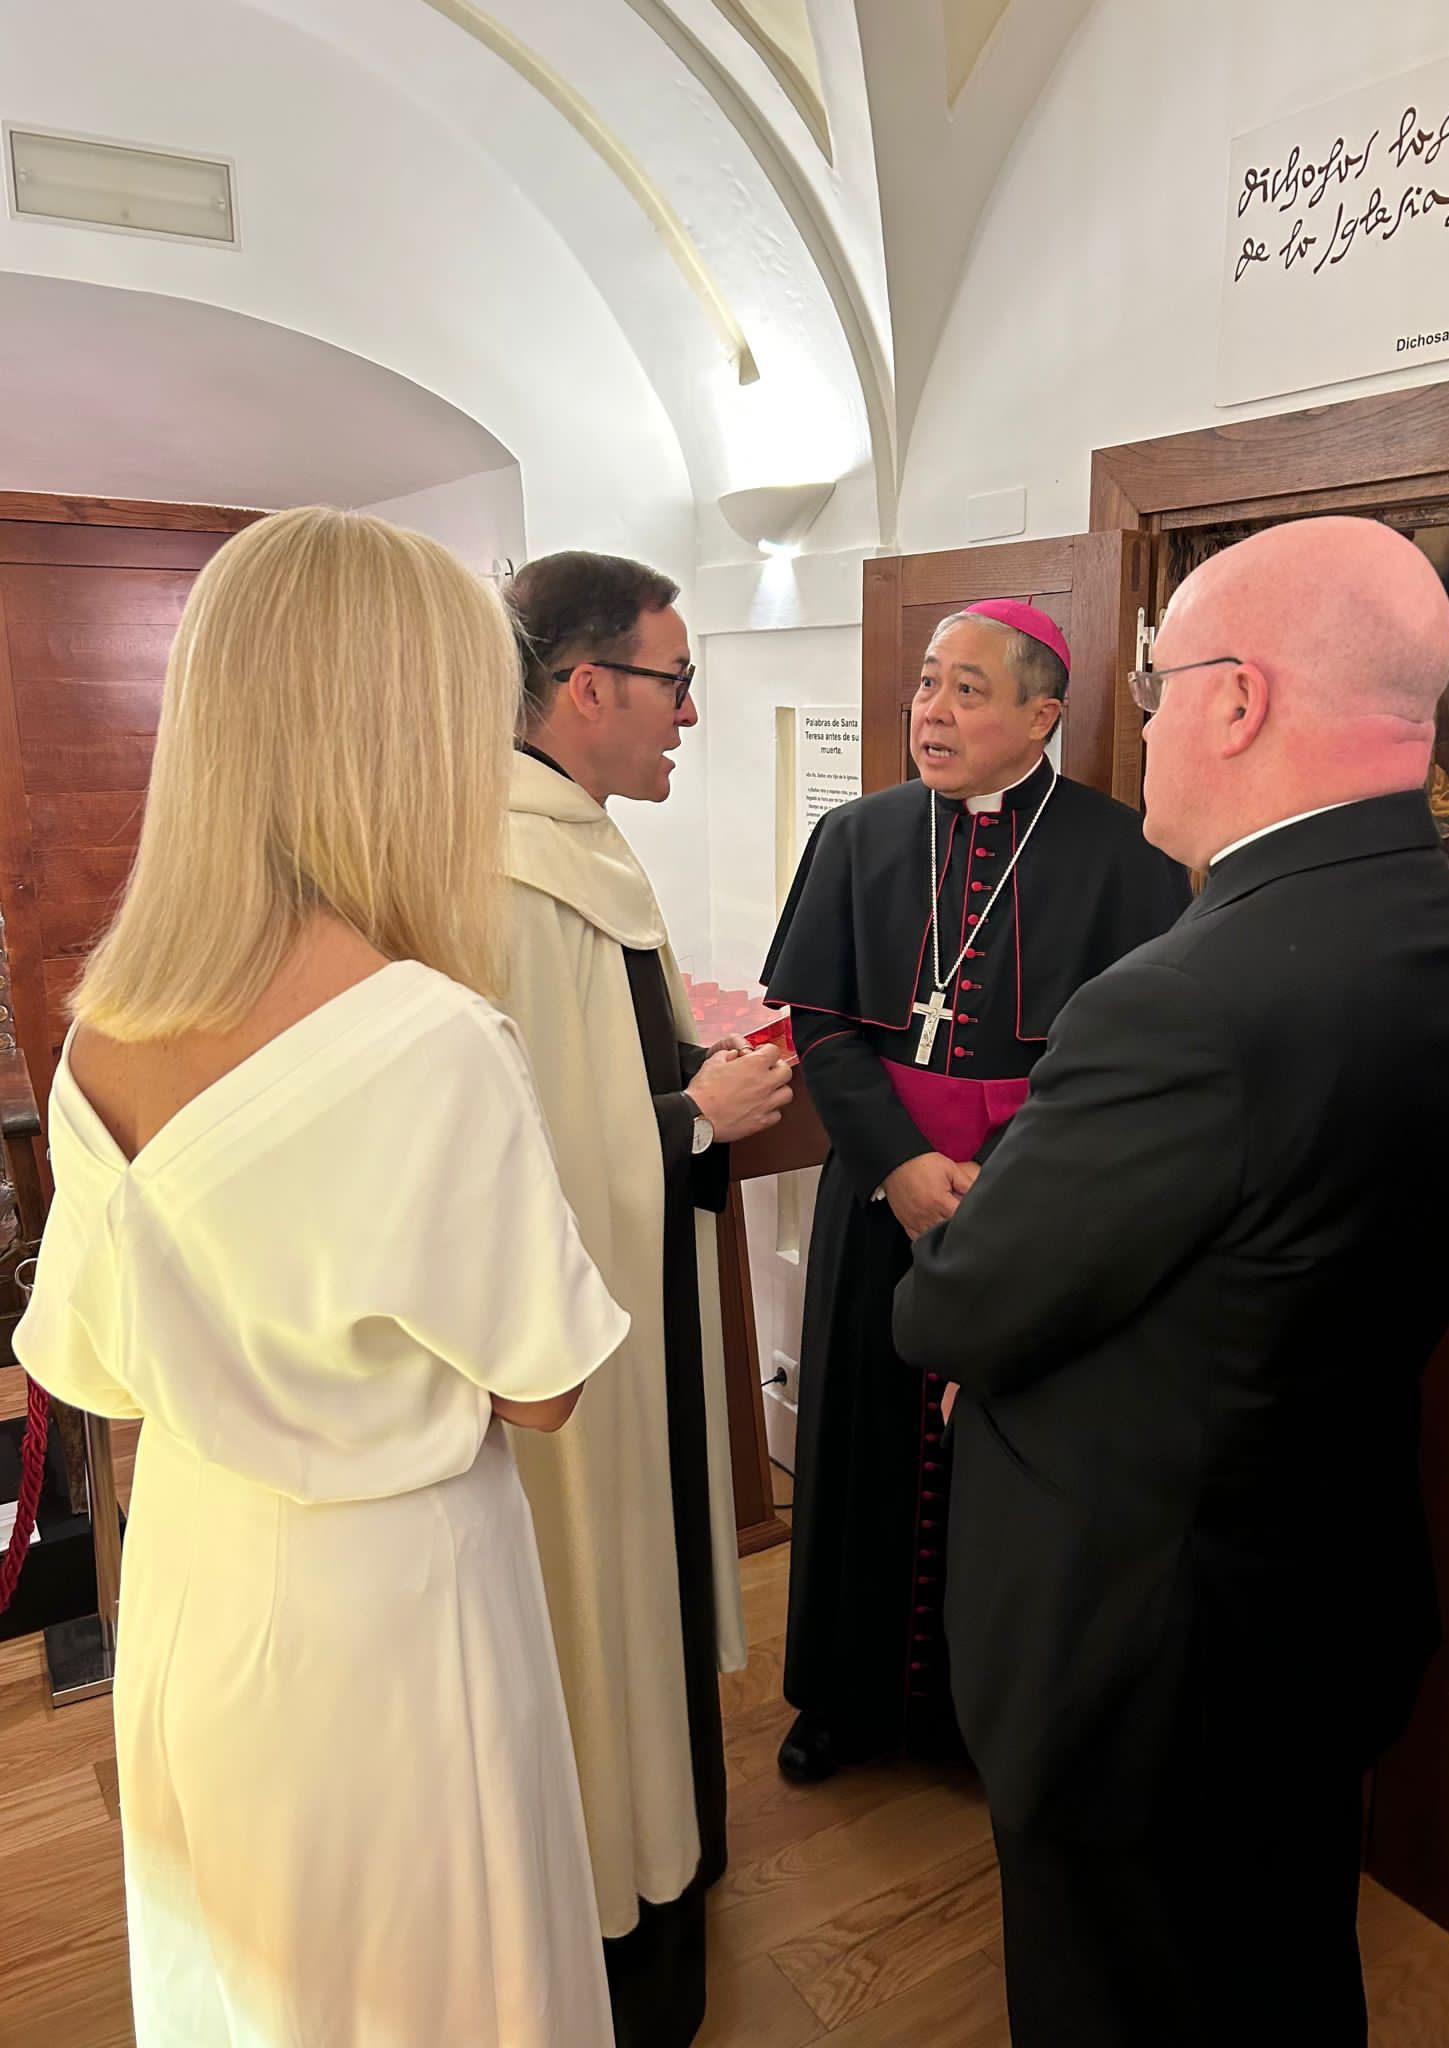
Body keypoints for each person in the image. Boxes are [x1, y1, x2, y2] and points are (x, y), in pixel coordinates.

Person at [894, 517, 1449, 2047]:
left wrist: (988, 1292)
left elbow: (958, 1307)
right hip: (1314, 1595)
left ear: (1239, 702)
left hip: (1142, 1648)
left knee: (1123, 1996)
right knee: (1277, 1969)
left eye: (1163, 684)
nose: (1149, 722)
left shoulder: (1185, 996)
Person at [12, 508, 629, 2046]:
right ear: (406, 732)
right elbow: (542, 1388)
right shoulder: (432, 1038)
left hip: (199, 1580)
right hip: (393, 1606)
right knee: (436, 1984)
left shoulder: (104, 1028)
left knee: (241, 1978)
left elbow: (84, 1368)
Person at [761, 599, 1191, 1783]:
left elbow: (1124, 1058)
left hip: (1034, 1207)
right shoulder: (856, 837)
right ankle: (840, 1696)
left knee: (1009, 1460)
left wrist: (1007, 1177)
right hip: (877, 1189)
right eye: (926, 686)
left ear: (1043, 714)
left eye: (967, 689)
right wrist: (900, 1163)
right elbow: (826, 1022)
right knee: (858, 1438)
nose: (931, 712)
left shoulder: (1125, 855)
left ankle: (974, 1715)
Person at [497, 551, 792, 2048]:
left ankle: (670, 1842)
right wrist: (697, 1117)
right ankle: (622, 1891)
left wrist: (690, 1096)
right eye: (675, 683)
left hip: (636, 1300)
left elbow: (608, 1086)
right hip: (578, 1356)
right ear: (587, 684)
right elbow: (518, 1154)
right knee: (599, 1593)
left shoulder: (578, 844)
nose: (693, 713)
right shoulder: (507, 872)